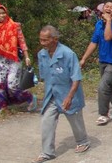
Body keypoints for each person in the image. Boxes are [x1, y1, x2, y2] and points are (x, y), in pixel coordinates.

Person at [32, 25, 90, 163]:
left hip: (69, 93)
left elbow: (76, 78)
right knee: (47, 121)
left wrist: (69, 97)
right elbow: (45, 76)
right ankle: (47, 152)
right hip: (52, 95)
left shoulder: (68, 54)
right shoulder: (42, 54)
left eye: (45, 40)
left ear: (55, 39)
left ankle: (83, 141)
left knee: (75, 121)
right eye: (41, 40)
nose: (42, 43)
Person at [79, 0, 112, 125]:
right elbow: (94, 42)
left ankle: (103, 114)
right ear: (102, 9)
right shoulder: (99, 24)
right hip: (103, 60)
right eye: (107, 6)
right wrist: (84, 59)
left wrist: (109, 21)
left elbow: (108, 37)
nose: (109, 8)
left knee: (103, 87)